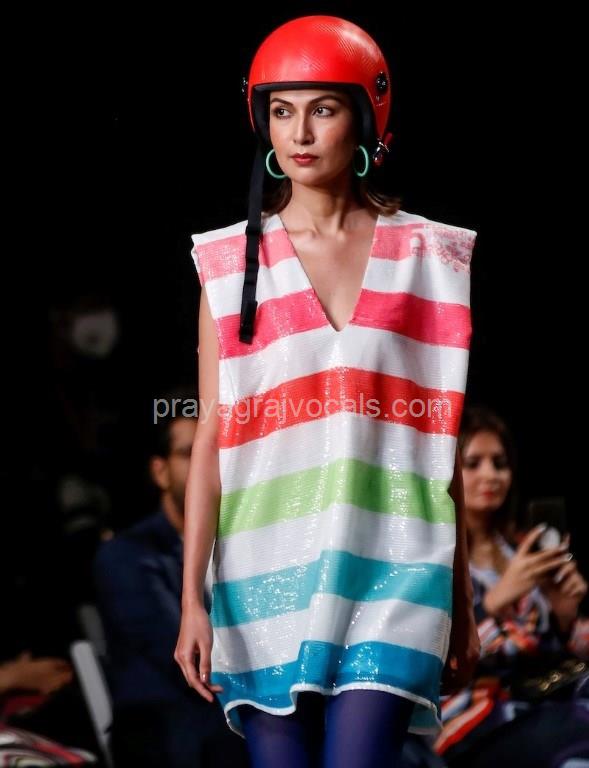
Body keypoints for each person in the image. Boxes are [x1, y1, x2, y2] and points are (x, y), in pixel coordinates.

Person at [175, 15, 479, 768]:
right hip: (264, 568)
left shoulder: (430, 257)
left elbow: (437, 440)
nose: (300, 133)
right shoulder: (228, 264)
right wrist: (192, 601)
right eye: (282, 111)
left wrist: (462, 600)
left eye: (324, 109)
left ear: (367, 118)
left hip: (397, 566)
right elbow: (211, 438)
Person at [93, 402, 250, 767]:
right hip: (177, 731)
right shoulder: (127, 555)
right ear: (160, 472)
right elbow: (179, 653)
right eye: (188, 453)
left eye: (214, 450)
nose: (204, 464)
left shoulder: (244, 544)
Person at [433, 406, 589, 767]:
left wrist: (564, 616)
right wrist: (497, 599)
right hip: (475, 715)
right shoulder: (437, 558)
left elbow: (564, 648)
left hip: (544, 696)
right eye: (473, 463)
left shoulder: (521, 548)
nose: (490, 475)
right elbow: (439, 660)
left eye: (499, 463)